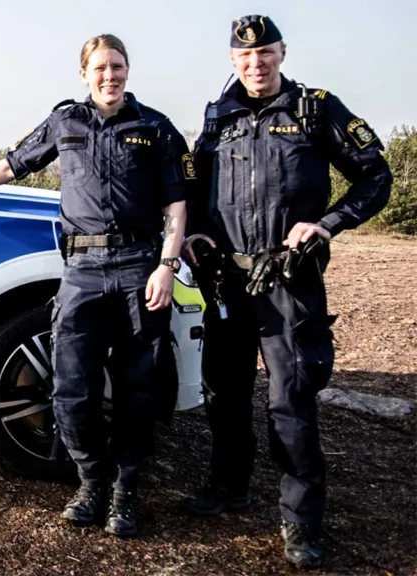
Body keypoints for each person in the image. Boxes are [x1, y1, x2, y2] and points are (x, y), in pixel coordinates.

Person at [0, 34, 193, 538]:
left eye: (117, 66)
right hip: (83, 269)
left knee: (137, 388)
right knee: (70, 386)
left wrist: (166, 265)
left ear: (128, 70)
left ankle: (125, 493)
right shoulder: (65, 121)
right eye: (100, 67)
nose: (109, 75)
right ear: (84, 73)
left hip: (138, 266)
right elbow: (12, 164)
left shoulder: (155, 128)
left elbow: (177, 204)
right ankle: (90, 484)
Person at [181, 14, 392, 568]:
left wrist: (328, 223)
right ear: (233, 60)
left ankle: (301, 519)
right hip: (227, 280)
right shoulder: (218, 117)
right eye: (245, 56)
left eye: (266, 52)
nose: (256, 64)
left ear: (282, 52)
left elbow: (376, 176)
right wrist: (196, 232)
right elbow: (195, 189)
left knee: (290, 400)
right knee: (224, 391)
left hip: (288, 281)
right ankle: (230, 485)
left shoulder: (314, 109)